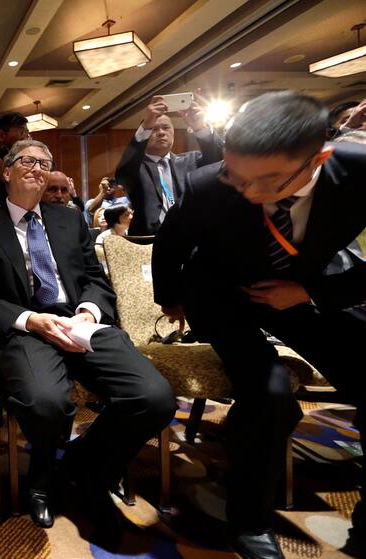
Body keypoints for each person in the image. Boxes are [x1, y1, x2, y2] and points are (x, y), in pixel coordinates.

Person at [153, 91, 366, 559]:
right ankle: (248, 523)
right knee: (268, 392)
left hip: (302, 289)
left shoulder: (359, 172)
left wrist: (310, 293)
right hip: (223, 296)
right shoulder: (207, 184)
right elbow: (170, 244)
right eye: (236, 175)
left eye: (266, 182)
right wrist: (171, 300)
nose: (247, 193)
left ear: (317, 160)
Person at [0, 139, 176, 542]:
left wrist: (88, 312)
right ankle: (42, 473)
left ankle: (89, 469)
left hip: (80, 321)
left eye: (45, 163)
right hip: (27, 329)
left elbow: (95, 278)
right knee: (45, 404)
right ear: (6, 172)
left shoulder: (69, 220)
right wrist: (30, 319)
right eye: (27, 160)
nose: (37, 168)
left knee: (155, 398)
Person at [115, 95, 223, 236]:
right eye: (154, 129)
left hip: (191, 235)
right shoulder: (136, 166)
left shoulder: (192, 160)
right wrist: (146, 126)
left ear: (173, 132)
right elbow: (123, 173)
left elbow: (219, 159)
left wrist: (200, 127)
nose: (161, 133)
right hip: (148, 239)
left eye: (166, 128)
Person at [0, 112, 29, 202]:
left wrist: (7, 179)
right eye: (22, 132)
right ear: (2, 135)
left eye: (27, 132)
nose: (27, 136)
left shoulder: (26, 160)